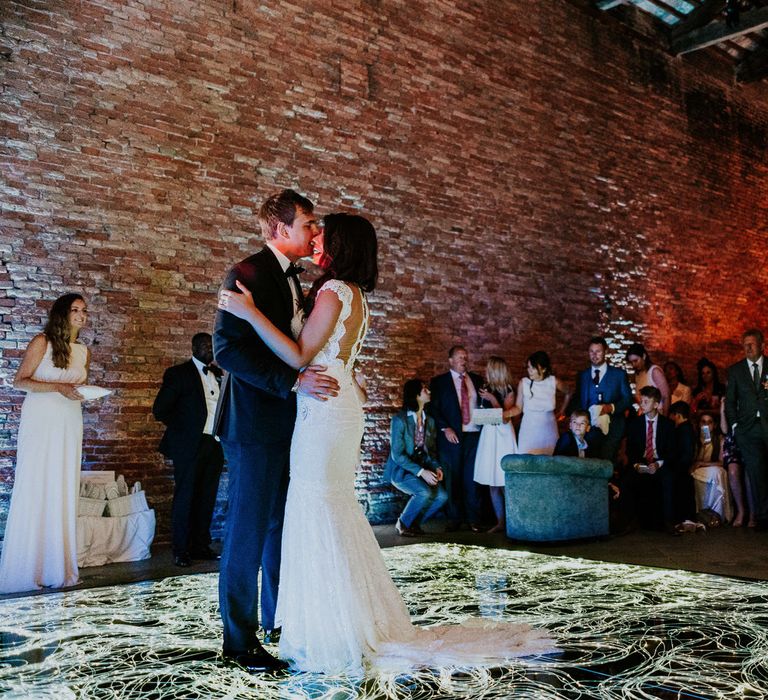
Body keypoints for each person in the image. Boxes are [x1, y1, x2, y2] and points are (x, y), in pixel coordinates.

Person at [219, 212, 551, 674]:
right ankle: (316, 618)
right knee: (327, 506)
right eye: (310, 227)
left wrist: (250, 312)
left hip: (321, 408)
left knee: (315, 505)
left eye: (322, 232)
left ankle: (327, 623)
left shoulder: (333, 291)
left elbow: (298, 354)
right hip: (330, 404)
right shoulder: (348, 293)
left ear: (339, 246)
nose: (316, 236)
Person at [213, 189, 339, 673]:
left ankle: (276, 621)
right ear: (281, 228)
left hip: (292, 424)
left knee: (278, 526)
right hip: (253, 424)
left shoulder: (300, 281)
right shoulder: (246, 273)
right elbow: (227, 350)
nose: (314, 231)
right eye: (308, 223)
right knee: (247, 531)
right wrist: (291, 381)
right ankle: (238, 643)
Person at [0, 293, 90, 593]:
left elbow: (73, 385)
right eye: (75, 310)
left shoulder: (82, 350)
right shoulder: (42, 341)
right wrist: (59, 387)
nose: (81, 314)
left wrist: (81, 392)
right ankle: (27, 568)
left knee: (62, 484)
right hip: (41, 418)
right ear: (62, 314)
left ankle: (57, 566)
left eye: (83, 310)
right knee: (38, 483)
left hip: (69, 419)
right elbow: (20, 380)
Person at [152, 332, 225, 567]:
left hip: (215, 443)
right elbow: (160, 410)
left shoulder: (219, 375)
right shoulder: (178, 374)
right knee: (185, 496)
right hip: (190, 444)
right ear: (193, 348)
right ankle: (181, 549)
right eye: (204, 345)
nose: (209, 349)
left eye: (212, 345)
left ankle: (200, 545)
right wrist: (185, 430)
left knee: (207, 496)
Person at [429, 345, 484, 532]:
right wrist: (445, 428)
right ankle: (454, 518)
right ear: (450, 360)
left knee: (472, 478)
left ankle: (474, 519)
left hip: (474, 434)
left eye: (466, 357)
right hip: (451, 437)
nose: (464, 360)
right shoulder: (439, 382)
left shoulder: (477, 380)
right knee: (453, 478)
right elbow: (433, 408)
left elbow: (483, 405)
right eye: (460, 357)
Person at [384, 379, 448, 537]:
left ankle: (414, 524)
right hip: (401, 471)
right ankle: (403, 523)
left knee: (442, 496)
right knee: (424, 492)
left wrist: (437, 467)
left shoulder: (430, 421)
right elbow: (397, 455)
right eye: (425, 389)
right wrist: (421, 472)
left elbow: (430, 452)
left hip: (423, 468)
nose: (429, 392)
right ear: (416, 395)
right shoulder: (399, 420)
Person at [725, 329, 768, 530]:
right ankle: (762, 517)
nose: (748, 348)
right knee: (755, 471)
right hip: (747, 430)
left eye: (752, 344)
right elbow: (730, 401)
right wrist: (735, 426)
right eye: (745, 345)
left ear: (762, 345)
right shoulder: (736, 371)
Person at [473, 356, 518, 533]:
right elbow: (482, 414)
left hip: (503, 435)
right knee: (492, 481)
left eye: (489, 368)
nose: (486, 371)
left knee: (504, 479)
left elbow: (505, 419)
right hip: (489, 433)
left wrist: (492, 399)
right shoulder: (485, 388)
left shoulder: (509, 390)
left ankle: (513, 520)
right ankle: (500, 522)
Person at [573, 336, 633, 463]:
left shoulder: (619, 374)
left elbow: (628, 399)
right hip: (588, 430)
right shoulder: (583, 375)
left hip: (612, 430)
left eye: (598, 351)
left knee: (606, 464)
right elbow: (578, 400)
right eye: (591, 351)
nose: (594, 355)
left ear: (606, 351)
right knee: (588, 464)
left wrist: (611, 407)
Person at [625, 386, 676, 532]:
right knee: (628, 480)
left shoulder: (668, 425)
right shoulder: (635, 424)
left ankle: (668, 521)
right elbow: (630, 449)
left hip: (659, 461)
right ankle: (631, 520)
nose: (642, 404)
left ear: (656, 404)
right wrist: (636, 464)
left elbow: (671, 451)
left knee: (668, 479)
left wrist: (658, 464)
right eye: (641, 401)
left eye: (646, 402)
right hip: (641, 461)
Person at [513, 350, 571, 456]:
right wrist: (502, 414)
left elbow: (569, 392)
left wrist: (562, 411)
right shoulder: (524, 383)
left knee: (550, 464)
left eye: (533, 368)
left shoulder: (553, 381)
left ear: (543, 369)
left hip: (549, 430)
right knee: (527, 462)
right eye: (528, 367)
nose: (529, 371)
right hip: (528, 430)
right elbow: (518, 407)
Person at [690, 411, 733, 524]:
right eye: (703, 422)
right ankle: (701, 512)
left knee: (716, 472)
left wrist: (703, 464)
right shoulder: (694, 440)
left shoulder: (720, 439)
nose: (706, 425)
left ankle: (717, 513)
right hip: (698, 470)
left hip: (713, 468)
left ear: (714, 425)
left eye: (709, 422)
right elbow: (693, 461)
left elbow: (722, 462)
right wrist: (703, 446)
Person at [721, 397, 755, 528]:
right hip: (733, 442)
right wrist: (723, 408)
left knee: (749, 474)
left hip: (750, 440)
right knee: (733, 471)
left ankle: (753, 514)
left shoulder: (749, 397)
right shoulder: (729, 402)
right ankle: (741, 511)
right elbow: (724, 430)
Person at [668, 401, 697, 525]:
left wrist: (676, 466)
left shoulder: (682, 430)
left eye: (672, 416)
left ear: (677, 415)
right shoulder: (689, 428)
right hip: (683, 469)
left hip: (681, 470)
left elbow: (686, 453)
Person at [626, 343, 670, 415]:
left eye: (636, 361)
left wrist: (664, 419)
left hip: (657, 415)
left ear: (644, 356)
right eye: (631, 362)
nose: (634, 364)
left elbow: (666, 396)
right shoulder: (638, 374)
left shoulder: (655, 372)